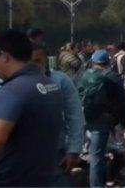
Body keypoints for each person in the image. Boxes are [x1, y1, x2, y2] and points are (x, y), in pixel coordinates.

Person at [0, 29, 64, 187]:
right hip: (41, 179)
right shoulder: (50, 85)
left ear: (4, 56)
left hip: (9, 181)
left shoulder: (12, 90)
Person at [29, 43, 85, 187]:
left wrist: (74, 149)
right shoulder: (9, 84)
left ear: (46, 61)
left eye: (37, 61)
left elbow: (75, 115)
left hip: (57, 154)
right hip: (23, 158)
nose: (33, 65)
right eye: (28, 60)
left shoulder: (60, 80)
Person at [78, 49, 125, 188]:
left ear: (93, 62)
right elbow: (121, 102)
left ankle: (101, 181)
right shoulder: (113, 76)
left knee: (92, 151)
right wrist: (117, 121)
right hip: (103, 119)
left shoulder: (85, 75)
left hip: (86, 117)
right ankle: (97, 185)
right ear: (108, 62)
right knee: (97, 154)